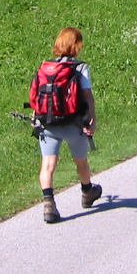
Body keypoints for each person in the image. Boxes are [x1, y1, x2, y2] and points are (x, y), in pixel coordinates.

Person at [37, 27, 102, 223]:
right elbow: (87, 96)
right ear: (77, 45)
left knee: (48, 165)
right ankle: (87, 192)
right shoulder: (80, 67)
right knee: (81, 162)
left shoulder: (46, 68)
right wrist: (92, 118)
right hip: (74, 124)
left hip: (47, 123)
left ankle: (49, 204)